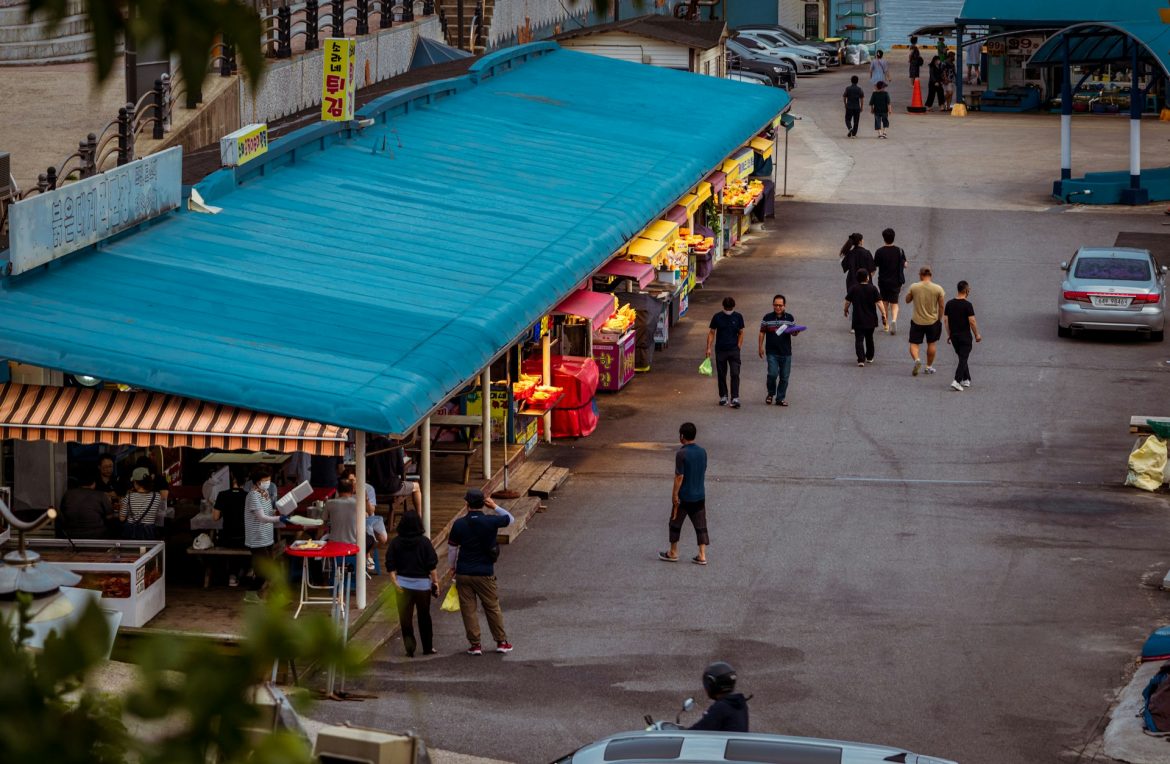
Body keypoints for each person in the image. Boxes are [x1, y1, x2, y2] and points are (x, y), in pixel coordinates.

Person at [448, 489, 514, 656]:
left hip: (463, 571)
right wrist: (495, 506)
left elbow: (452, 549)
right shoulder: (491, 521)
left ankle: (475, 645)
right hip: (484, 571)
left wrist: (452, 568)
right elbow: (510, 519)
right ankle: (501, 641)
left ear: (467, 504)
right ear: (483, 504)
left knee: (468, 610)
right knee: (492, 607)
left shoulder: (459, 524)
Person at [386, 511, 439, 658]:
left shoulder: (395, 542)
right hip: (422, 586)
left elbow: (390, 564)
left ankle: (410, 649)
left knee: (405, 619)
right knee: (424, 617)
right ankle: (428, 647)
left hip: (402, 585)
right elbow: (432, 565)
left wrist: (394, 582)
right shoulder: (424, 542)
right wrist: (435, 583)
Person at [659, 422, 708, 565]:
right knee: (701, 525)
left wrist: (675, 495)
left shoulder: (682, 453)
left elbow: (679, 476)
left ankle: (673, 552)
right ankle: (702, 555)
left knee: (675, 522)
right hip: (700, 495)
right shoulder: (702, 451)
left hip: (685, 496)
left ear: (682, 436)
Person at [243, 466, 284, 597]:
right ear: (257, 482)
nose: (268, 482)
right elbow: (262, 517)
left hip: (267, 537)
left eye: (269, 480)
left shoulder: (265, 494)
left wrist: (279, 512)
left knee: (266, 570)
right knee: (264, 571)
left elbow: (268, 512)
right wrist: (279, 518)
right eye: (265, 480)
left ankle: (258, 595)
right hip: (257, 539)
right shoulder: (253, 496)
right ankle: (253, 594)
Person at [759, 294, 800, 406]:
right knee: (772, 374)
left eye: (780, 305)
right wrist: (760, 347)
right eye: (776, 305)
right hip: (771, 352)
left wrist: (795, 332)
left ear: (784, 306)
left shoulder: (790, 318)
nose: (778, 307)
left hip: (786, 353)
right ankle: (771, 393)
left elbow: (794, 332)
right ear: (773, 305)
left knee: (784, 377)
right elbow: (762, 332)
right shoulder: (767, 318)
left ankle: (780, 398)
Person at [905, 266, 946, 377]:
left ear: (920, 275)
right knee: (931, 343)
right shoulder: (938, 289)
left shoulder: (914, 287)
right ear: (930, 275)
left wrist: (912, 294)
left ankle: (917, 359)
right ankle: (928, 367)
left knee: (914, 343)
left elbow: (907, 300)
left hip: (917, 320)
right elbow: (941, 306)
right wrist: (939, 319)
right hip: (932, 321)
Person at [706, 296, 745, 408]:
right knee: (722, 374)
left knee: (734, 373)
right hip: (721, 350)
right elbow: (712, 332)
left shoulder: (738, 317)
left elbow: (741, 332)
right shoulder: (717, 317)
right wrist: (708, 347)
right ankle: (724, 396)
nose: (728, 310)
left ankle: (734, 397)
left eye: (730, 308)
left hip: (732, 350)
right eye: (727, 308)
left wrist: (738, 346)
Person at [689, 661, 750, 732]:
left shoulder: (721, 707)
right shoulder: (740, 704)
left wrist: (682, 733)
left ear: (711, 683)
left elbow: (697, 731)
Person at [944, 280, 982, 391]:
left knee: (962, 357)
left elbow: (946, 321)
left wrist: (949, 334)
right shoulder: (967, 305)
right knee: (963, 358)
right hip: (965, 336)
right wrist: (977, 334)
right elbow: (972, 321)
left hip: (954, 336)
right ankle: (956, 380)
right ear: (966, 290)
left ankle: (966, 379)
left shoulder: (949, 304)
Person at [212, 470, 248, 586]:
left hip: (226, 538)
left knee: (221, 541)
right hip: (245, 539)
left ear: (232, 480)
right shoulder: (248, 496)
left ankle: (232, 575)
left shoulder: (222, 495)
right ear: (245, 481)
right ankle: (246, 570)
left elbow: (215, 517)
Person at [844, 269, 886, 366]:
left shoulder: (854, 288)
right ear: (867, 277)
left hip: (858, 318)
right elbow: (879, 302)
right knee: (869, 338)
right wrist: (883, 313)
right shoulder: (873, 288)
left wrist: (845, 310)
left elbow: (847, 301)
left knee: (859, 339)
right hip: (870, 319)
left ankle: (861, 359)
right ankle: (870, 357)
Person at [58, 465, 114, 539]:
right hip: (96, 535)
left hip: (71, 535)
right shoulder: (101, 495)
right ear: (94, 483)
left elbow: (62, 513)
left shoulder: (68, 494)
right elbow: (109, 517)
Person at [873, 228, 907, 334]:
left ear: (884, 238)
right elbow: (905, 264)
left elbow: (875, 266)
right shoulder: (899, 251)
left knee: (884, 302)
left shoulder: (879, 251)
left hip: (883, 281)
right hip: (896, 281)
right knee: (894, 303)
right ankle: (894, 320)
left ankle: (886, 325)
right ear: (894, 237)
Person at [119, 467, 162, 540]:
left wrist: (121, 504)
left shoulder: (129, 497)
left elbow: (121, 518)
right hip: (149, 532)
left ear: (135, 482)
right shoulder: (157, 496)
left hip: (131, 533)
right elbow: (159, 516)